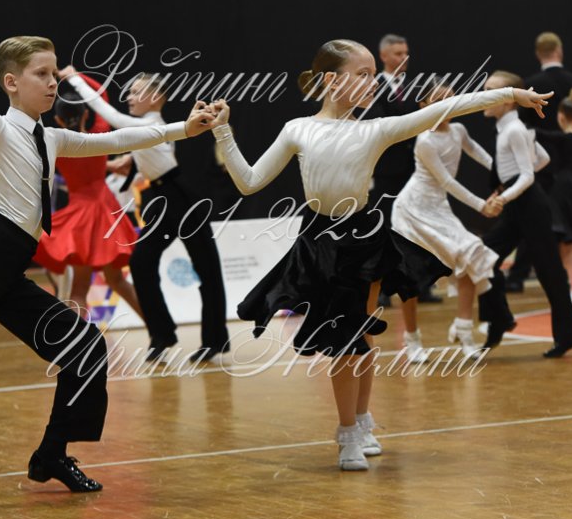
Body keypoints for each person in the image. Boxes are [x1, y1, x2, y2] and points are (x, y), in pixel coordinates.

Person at [209, 39, 551, 471]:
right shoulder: (298, 128)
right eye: (363, 74)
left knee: (360, 334)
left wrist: (511, 94)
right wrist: (223, 131)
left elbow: (448, 108)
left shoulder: (375, 129)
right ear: (332, 80)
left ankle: (357, 423)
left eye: (374, 73)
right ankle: (349, 428)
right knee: (343, 339)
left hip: (364, 237)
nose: (373, 82)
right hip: (320, 240)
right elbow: (249, 182)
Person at [0, 36, 214, 504]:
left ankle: (52, 455)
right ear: (11, 82)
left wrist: (184, 128)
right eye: (41, 74)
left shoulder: (52, 138)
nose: (52, 82)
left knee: (85, 347)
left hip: (8, 269)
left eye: (54, 72)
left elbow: (117, 139)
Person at [59, 66, 230, 363]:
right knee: (141, 262)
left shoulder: (149, 124)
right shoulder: (151, 126)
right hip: (159, 198)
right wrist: (133, 164)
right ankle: (162, 334)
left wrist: (74, 78)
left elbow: (109, 114)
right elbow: (153, 157)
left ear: (156, 97)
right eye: (130, 91)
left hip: (181, 198)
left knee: (207, 267)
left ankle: (214, 340)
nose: (129, 96)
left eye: (137, 92)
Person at [478, 71, 572, 358]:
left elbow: (528, 175)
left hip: (530, 205)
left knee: (549, 272)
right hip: (520, 203)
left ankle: (568, 336)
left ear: (508, 99)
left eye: (491, 91)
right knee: (482, 256)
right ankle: (500, 319)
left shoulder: (514, 129)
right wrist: (506, 189)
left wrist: (503, 196)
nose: (484, 96)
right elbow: (543, 159)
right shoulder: (513, 128)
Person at [391, 81, 503, 358]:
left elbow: (477, 152)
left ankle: (463, 330)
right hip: (411, 210)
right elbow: (447, 182)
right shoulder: (424, 141)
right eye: (440, 101)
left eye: (452, 100)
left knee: (470, 254)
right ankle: (412, 339)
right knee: (411, 277)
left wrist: (502, 173)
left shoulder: (459, 130)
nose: (448, 106)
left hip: (437, 208)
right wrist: (481, 205)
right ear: (424, 106)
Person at [32, 84, 144, 318]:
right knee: (117, 281)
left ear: (58, 120)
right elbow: (102, 95)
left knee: (79, 288)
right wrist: (74, 76)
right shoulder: (99, 133)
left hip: (81, 218)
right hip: (106, 212)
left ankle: (79, 338)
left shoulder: (57, 144)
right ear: (85, 114)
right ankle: (158, 331)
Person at [366, 34, 439, 364]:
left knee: (418, 228)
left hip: (414, 170)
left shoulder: (415, 87)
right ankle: (382, 287)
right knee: (385, 230)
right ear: (383, 55)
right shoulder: (373, 87)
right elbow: (386, 123)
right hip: (386, 172)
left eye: (406, 52)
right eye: (398, 53)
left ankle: (421, 284)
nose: (404, 58)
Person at [506, 31, 572, 292]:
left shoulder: (530, 85)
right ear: (560, 50)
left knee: (536, 217)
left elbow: (525, 128)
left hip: (541, 164)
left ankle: (518, 275)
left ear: (538, 53)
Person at [536, 88, 572, 309]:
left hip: (562, 190)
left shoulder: (561, 138)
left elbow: (535, 133)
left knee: (566, 240)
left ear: (561, 117)